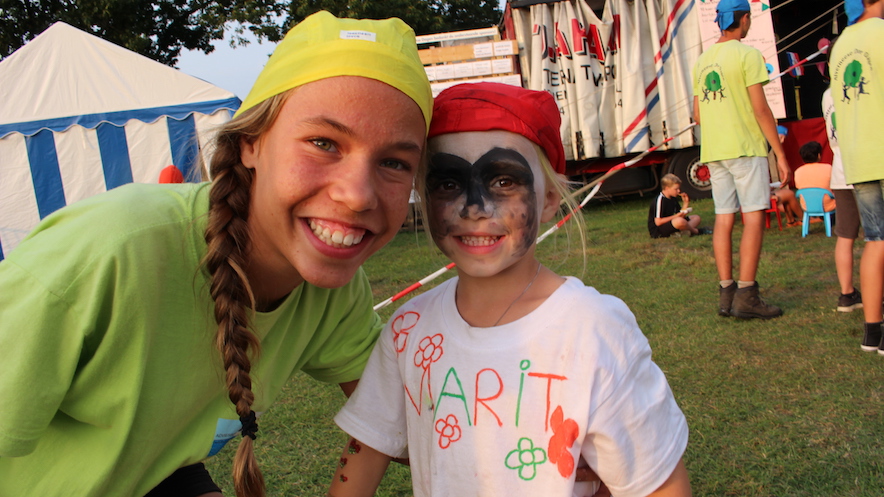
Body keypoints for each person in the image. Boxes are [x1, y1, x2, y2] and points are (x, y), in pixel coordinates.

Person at [0, 12, 433, 497]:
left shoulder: (332, 292)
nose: (357, 195)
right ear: (251, 143)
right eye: (323, 143)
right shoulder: (108, 254)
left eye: (394, 162)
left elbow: (409, 427)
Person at [327, 83, 692, 497]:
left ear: (550, 198)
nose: (474, 207)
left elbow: (662, 485)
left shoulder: (595, 331)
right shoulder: (409, 329)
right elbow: (363, 453)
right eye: (448, 183)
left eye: (503, 181)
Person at [692, 0, 791, 319]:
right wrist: (780, 153)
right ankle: (747, 295)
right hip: (745, 147)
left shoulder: (703, 60)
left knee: (724, 218)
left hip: (714, 151)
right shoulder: (748, 55)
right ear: (744, 19)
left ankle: (726, 293)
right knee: (753, 217)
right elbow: (761, 110)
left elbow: (697, 114)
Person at [829, 0, 884, 353]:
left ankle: (873, 332)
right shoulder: (881, 33)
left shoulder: (840, 45)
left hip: (857, 158)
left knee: (876, 241)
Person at [822, 88, 863, 312]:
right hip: (866, 167)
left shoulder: (827, 94)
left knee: (845, 236)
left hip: (840, 171)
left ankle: (847, 294)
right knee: (877, 238)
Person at [648, 173, 710, 238]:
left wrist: (685, 203)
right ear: (667, 188)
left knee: (696, 218)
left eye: (679, 188)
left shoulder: (673, 198)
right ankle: (696, 231)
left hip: (672, 222)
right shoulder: (660, 200)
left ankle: (682, 231)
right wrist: (676, 216)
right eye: (676, 189)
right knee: (679, 221)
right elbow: (658, 222)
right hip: (659, 229)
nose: (679, 191)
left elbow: (681, 215)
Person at [793, 141, 836, 212]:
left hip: (807, 206)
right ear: (819, 155)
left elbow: (799, 187)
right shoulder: (828, 168)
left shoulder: (798, 171)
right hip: (828, 205)